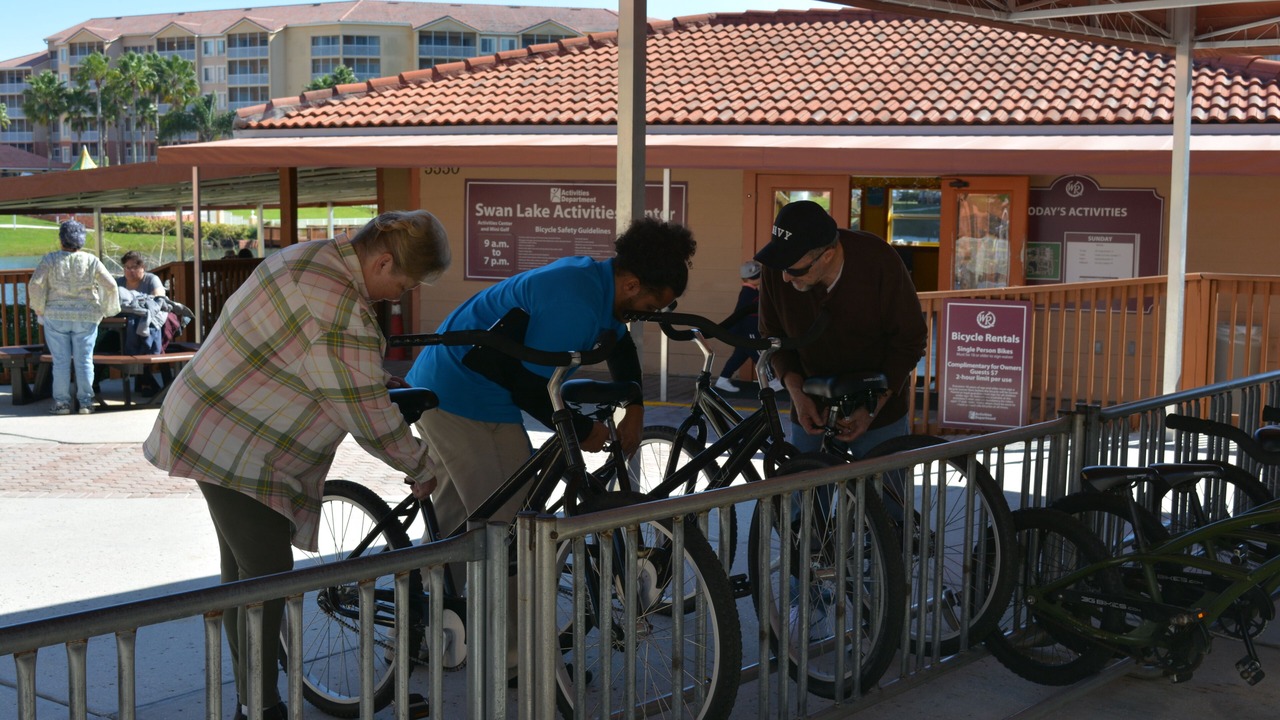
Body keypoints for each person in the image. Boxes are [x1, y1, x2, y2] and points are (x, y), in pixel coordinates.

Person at [144, 210, 450, 720]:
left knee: (246, 577)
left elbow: (325, 366)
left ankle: (251, 702)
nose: (398, 295)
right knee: (268, 578)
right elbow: (366, 413)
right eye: (402, 281)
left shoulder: (314, 258)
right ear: (382, 259)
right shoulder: (338, 304)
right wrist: (420, 464)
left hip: (221, 425)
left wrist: (372, 380)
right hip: (235, 443)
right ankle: (261, 706)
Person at [405, 217, 696, 536]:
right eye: (651, 306)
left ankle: (433, 580)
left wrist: (635, 407)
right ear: (631, 285)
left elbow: (618, 343)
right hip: (458, 391)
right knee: (507, 520)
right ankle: (499, 586)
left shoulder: (598, 284)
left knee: (465, 508)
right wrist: (583, 430)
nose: (648, 315)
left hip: (467, 383)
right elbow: (530, 390)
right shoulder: (575, 301)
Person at [756, 200, 927, 458]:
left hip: (880, 410)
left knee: (882, 495)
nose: (785, 277)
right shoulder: (778, 265)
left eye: (795, 268)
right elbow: (773, 337)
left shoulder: (879, 261)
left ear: (827, 255)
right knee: (805, 495)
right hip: (810, 406)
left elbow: (910, 340)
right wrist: (798, 396)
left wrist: (872, 410)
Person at [27, 220, 121, 415]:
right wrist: (106, 309)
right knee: (85, 360)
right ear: (82, 240)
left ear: (62, 239)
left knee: (60, 361)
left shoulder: (50, 259)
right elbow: (111, 285)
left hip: (56, 315)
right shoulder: (91, 260)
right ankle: (86, 403)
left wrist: (38, 307)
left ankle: (62, 404)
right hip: (87, 316)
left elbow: (35, 284)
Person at [713, 259, 783, 394]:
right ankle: (772, 381)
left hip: (746, 330)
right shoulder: (748, 294)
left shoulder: (751, 292)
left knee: (739, 355)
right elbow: (739, 313)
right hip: (749, 330)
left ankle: (723, 379)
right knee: (761, 354)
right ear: (754, 277)